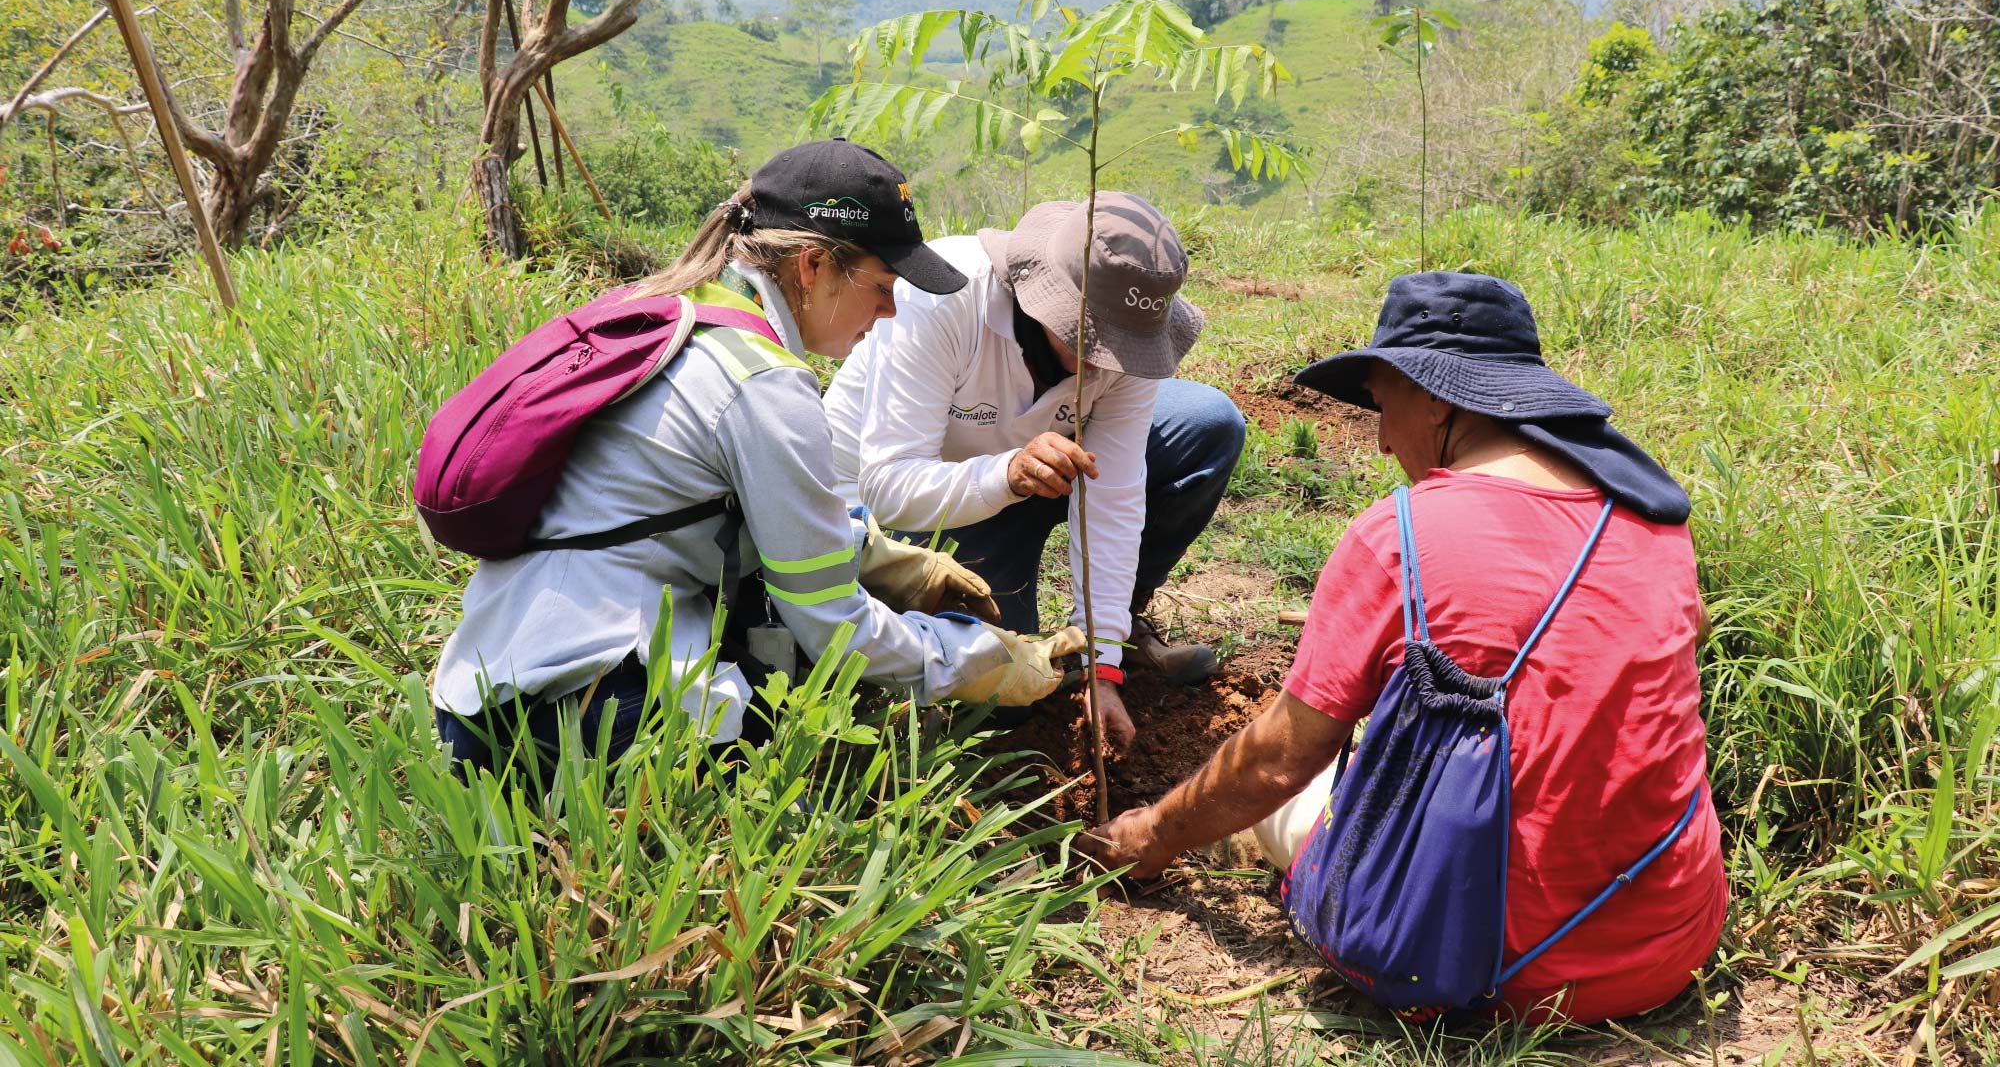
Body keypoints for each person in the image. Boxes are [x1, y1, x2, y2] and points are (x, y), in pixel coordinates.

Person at [1084, 272, 1726, 1024]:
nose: (1384, 439)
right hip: (1669, 945)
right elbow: (1694, 626)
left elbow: (1277, 761)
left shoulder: (1401, 537)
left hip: (1494, 972)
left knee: (1291, 801)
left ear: (1439, 401)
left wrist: (1151, 832)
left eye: (1385, 409)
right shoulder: (1653, 518)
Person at [432, 140, 1081, 777]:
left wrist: (890, 562)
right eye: (883, 285)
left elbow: (744, 512)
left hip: (490, 688)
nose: (888, 312)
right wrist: (986, 660)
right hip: (574, 708)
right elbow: (834, 627)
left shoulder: (689, 317)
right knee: (802, 803)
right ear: (813, 267)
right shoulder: (763, 383)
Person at [822, 192, 1247, 747]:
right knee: (1004, 702)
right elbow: (887, 486)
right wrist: (1006, 475)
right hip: (916, 507)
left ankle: (1121, 635)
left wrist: (1102, 660)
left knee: (1206, 423)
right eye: (1091, 339)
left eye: (1121, 347)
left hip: (1033, 472)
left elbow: (1114, 490)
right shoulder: (944, 298)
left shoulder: (1131, 341)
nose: (1105, 362)